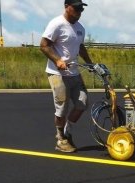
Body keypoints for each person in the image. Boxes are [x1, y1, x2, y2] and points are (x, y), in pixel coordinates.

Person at [40, 0, 94, 153]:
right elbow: (44, 45)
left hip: (74, 73)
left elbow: (80, 47)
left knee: (82, 103)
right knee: (62, 107)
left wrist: (90, 63)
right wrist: (57, 60)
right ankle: (60, 138)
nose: (79, 11)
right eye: (76, 8)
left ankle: (67, 132)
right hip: (57, 74)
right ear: (66, 7)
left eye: (81, 9)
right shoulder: (56, 24)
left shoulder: (80, 28)